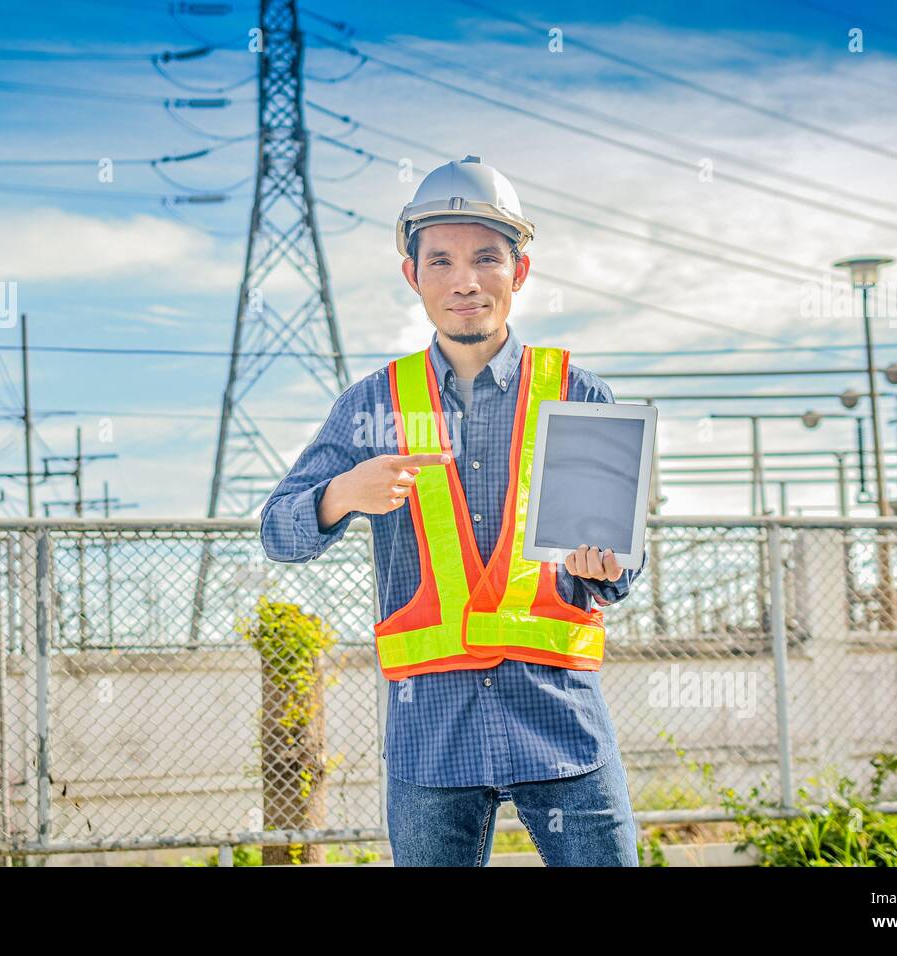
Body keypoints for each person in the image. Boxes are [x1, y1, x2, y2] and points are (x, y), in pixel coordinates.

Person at [260, 155, 647, 866]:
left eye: (486, 259)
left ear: (519, 272)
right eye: (440, 260)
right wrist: (343, 493)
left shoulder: (577, 392)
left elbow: (622, 569)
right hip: (430, 730)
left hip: (560, 717)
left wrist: (610, 563)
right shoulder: (373, 405)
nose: (464, 280)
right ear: (413, 276)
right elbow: (277, 532)